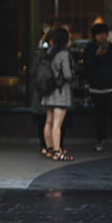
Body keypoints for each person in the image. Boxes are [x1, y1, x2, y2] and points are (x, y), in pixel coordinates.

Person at [82, 23, 112, 152]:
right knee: (99, 117)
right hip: (96, 88)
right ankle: (101, 141)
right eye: (98, 34)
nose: (102, 36)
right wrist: (95, 56)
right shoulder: (90, 49)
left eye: (104, 33)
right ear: (94, 36)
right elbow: (86, 66)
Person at [41, 27, 74, 161]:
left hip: (48, 90)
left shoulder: (47, 53)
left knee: (48, 121)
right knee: (57, 123)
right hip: (60, 92)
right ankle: (57, 151)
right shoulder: (63, 54)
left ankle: (49, 149)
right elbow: (67, 74)